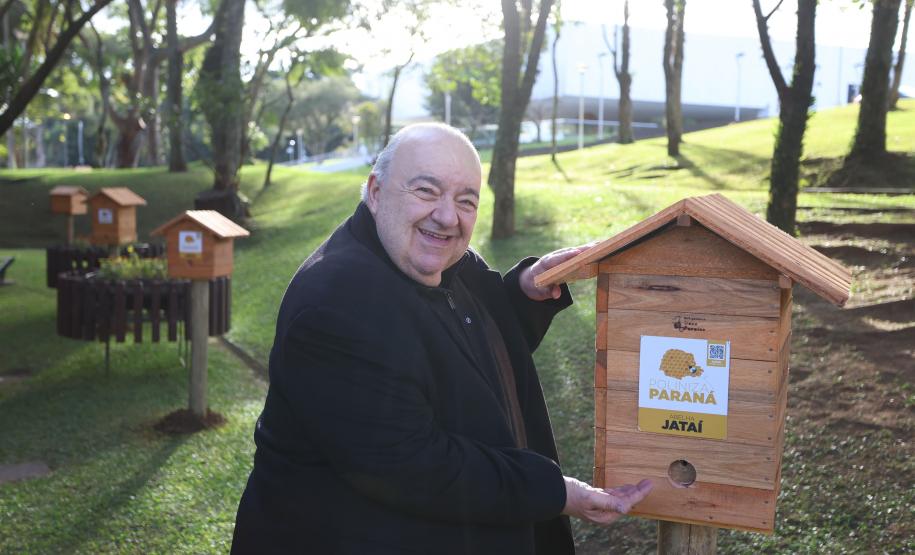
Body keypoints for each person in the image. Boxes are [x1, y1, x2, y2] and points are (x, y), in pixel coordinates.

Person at [231, 123, 652, 554]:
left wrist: (525, 291)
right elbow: (415, 468)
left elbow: (458, 353)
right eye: (426, 192)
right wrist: (557, 492)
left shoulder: (439, 260)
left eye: (465, 200)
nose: (448, 216)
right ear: (376, 192)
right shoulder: (336, 307)